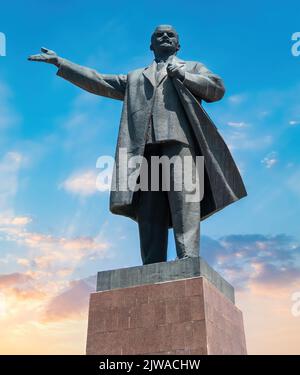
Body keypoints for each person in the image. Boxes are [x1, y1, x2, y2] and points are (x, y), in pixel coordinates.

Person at [28, 25, 247, 265]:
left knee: (185, 200)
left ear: (178, 45)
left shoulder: (192, 67)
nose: (164, 36)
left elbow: (217, 89)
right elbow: (99, 80)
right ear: (150, 45)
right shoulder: (134, 78)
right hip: (146, 149)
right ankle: (152, 264)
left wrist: (184, 76)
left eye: (170, 34)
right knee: (150, 210)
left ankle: (188, 257)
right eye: (158, 35)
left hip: (180, 143)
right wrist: (62, 63)